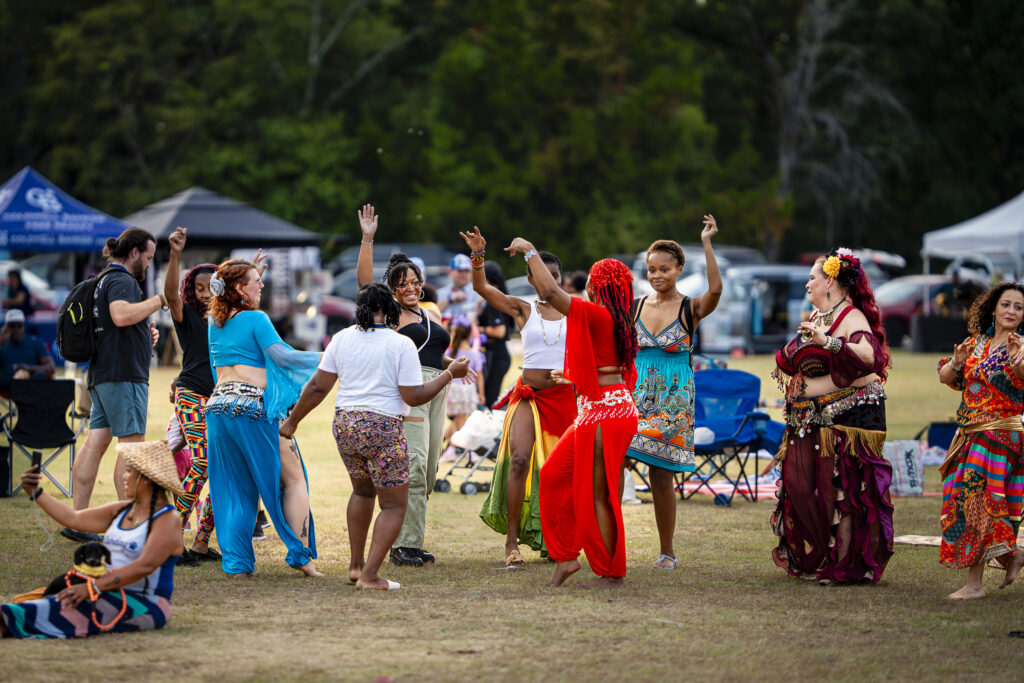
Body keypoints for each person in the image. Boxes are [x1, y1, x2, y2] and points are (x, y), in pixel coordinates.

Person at [280, 284, 470, 590]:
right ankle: (369, 576)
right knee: (394, 506)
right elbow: (414, 394)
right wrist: (450, 374)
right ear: (390, 309)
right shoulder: (400, 344)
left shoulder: (341, 338)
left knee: (362, 492)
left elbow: (318, 386)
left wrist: (292, 422)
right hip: (382, 427)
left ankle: (356, 566)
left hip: (346, 424)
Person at [507, 240, 640, 588]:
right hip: (596, 410)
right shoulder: (616, 317)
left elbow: (550, 291)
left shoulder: (597, 313)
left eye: (592, 281)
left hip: (607, 413)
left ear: (598, 286)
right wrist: (574, 376)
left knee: (600, 494)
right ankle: (566, 556)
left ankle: (611, 572)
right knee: (552, 475)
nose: (587, 287)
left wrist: (530, 251)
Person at [357, 205, 475, 567]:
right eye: (403, 283)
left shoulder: (430, 313)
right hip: (410, 391)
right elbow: (365, 283)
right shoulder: (389, 315)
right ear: (392, 289)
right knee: (414, 465)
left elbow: (432, 352)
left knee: (430, 469)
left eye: (415, 282)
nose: (411, 287)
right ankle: (402, 545)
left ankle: (413, 540)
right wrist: (367, 238)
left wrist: (452, 366)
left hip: (438, 388)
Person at [771, 248, 894, 584]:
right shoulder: (816, 315)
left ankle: (844, 563)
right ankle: (826, 554)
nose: (807, 283)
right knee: (801, 483)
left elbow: (869, 355)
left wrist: (831, 344)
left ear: (831, 281)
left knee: (844, 487)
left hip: (854, 413)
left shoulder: (851, 316)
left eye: (812, 277)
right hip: (813, 415)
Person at [462, 227, 576, 567]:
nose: (548, 281)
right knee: (521, 461)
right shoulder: (522, 308)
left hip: (565, 399)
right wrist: (478, 255)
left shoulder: (575, 309)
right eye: (542, 275)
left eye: (554, 276)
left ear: (560, 278)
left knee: (562, 473)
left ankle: (559, 539)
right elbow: (481, 287)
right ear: (530, 278)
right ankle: (512, 543)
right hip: (529, 397)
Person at [205, 258, 320, 577]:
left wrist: (246, 275)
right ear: (240, 289)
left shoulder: (214, 322)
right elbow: (284, 357)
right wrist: (330, 356)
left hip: (218, 409)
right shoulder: (256, 318)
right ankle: (302, 557)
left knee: (235, 489)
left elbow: (219, 368)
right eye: (257, 280)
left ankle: (238, 565)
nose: (263, 284)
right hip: (252, 408)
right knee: (294, 479)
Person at [1, 440, 184, 638]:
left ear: (146, 477)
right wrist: (37, 493)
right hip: (106, 590)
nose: (124, 476)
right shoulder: (122, 510)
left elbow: (145, 566)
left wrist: (92, 587)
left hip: (145, 604)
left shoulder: (168, 519)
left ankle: (9, 620)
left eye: (129, 471)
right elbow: (73, 518)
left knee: (63, 606)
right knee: (57, 599)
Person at [628, 219, 721, 570]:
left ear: (679, 269)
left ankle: (667, 552)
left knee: (660, 475)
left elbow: (715, 291)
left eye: (664, 269)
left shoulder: (689, 307)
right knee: (611, 460)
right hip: (636, 393)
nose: (657, 275)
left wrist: (707, 244)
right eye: (652, 269)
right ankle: (601, 542)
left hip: (673, 400)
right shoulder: (635, 306)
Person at [66, 227, 161, 544]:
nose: (148, 265)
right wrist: (158, 301)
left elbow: (115, 325)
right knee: (132, 447)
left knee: (95, 444)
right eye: (147, 258)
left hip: (101, 375)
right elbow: (120, 315)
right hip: (123, 376)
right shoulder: (123, 280)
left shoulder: (102, 279)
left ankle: (78, 519)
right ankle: (129, 526)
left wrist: (144, 335)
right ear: (134, 252)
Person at [937, 281, 1024, 599]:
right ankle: (1014, 556)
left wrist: (1016, 361)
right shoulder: (977, 342)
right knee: (956, 496)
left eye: (1018, 307)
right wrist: (957, 361)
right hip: (970, 434)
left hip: (1001, 435)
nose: (1012, 311)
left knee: (978, 499)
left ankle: (975, 585)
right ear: (993, 308)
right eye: (1006, 304)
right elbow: (948, 378)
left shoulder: (1021, 345)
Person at [162, 226, 220, 565]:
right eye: (197, 288)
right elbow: (170, 297)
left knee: (224, 468)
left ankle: (201, 542)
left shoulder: (228, 320)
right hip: (192, 396)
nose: (204, 294)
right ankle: (173, 538)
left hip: (223, 399)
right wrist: (175, 254)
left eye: (210, 287)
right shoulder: (187, 318)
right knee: (202, 461)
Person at [442, 315, 486, 450]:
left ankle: (444, 445)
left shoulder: (449, 352)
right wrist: (482, 394)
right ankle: (452, 449)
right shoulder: (474, 354)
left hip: (452, 390)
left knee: (457, 421)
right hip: (466, 391)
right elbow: (479, 376)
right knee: (460, 422)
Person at [478, 261, 514, 408]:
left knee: (490, 402)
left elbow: (500, 331)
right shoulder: (497, 299)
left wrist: (477, 329)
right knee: (488, 399)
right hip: (496, 355)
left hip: (496, 355)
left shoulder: (495, 301)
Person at [0, 308, 54, 392]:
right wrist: (1, 340)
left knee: (41, 375)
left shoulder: (35, 342)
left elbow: (51, 367)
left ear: (24, 326)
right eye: (12, 326)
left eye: (19, 325)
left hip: (31, 382)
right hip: (7, 383)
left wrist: (28, 368)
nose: (16, 329)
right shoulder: (2, 342)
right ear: (6, 327)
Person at [437, 253, 480, 321]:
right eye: (460, 271)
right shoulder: (440, 293)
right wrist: (449, 300)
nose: (464, 274)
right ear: (450, 272)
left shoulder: (478, 293)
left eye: (467, 271)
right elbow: (432, 312)